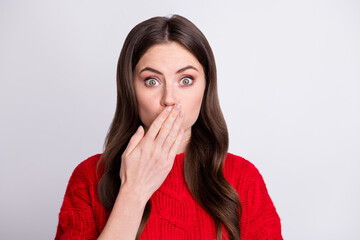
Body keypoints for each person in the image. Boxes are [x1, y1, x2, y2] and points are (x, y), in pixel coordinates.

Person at [55, 15, 282, 240]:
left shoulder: (243, 178)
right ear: (130, 89)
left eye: (186, 80)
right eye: (152, 81)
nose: (169, 99)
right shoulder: (89, 177)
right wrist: (133, 192)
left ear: (206, 87)